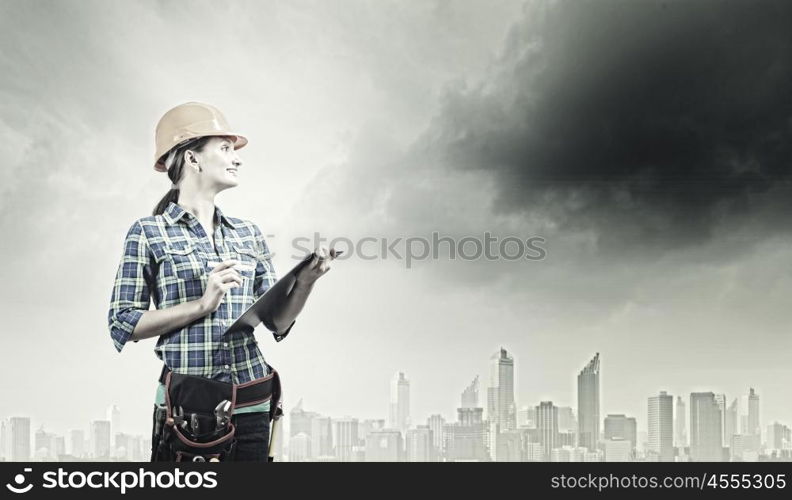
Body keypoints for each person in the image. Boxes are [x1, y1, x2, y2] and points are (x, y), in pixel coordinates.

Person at [107, 102, 337, 461]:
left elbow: (277, 321)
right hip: (188, 412)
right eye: (225, 148)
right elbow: (123, 322)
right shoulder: (149, 233)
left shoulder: (248, 234)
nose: (237, 158)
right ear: (192, 158)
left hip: (252, 401)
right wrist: (202, 305)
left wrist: (306, 282)